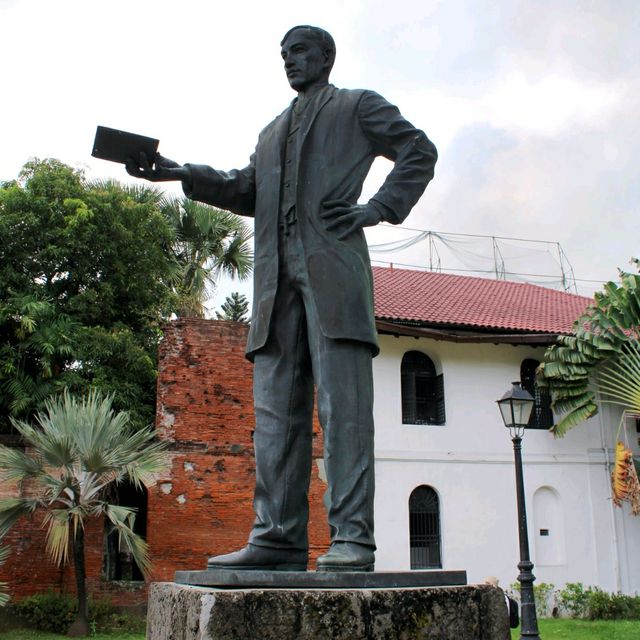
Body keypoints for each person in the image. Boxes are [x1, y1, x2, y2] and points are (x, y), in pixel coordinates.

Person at [126, 25, 437, 572]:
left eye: (299, 52)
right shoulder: (271, 133)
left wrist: (378, 208)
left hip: (333, 271)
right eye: (284, 55)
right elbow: (248, 187)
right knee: (274, 417)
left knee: (343, 412)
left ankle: (353, 540)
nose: (289, 61)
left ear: (326, 57)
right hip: (274, 285)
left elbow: (418, 149)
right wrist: (181, 173)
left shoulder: (358, 106)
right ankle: (276, 536)